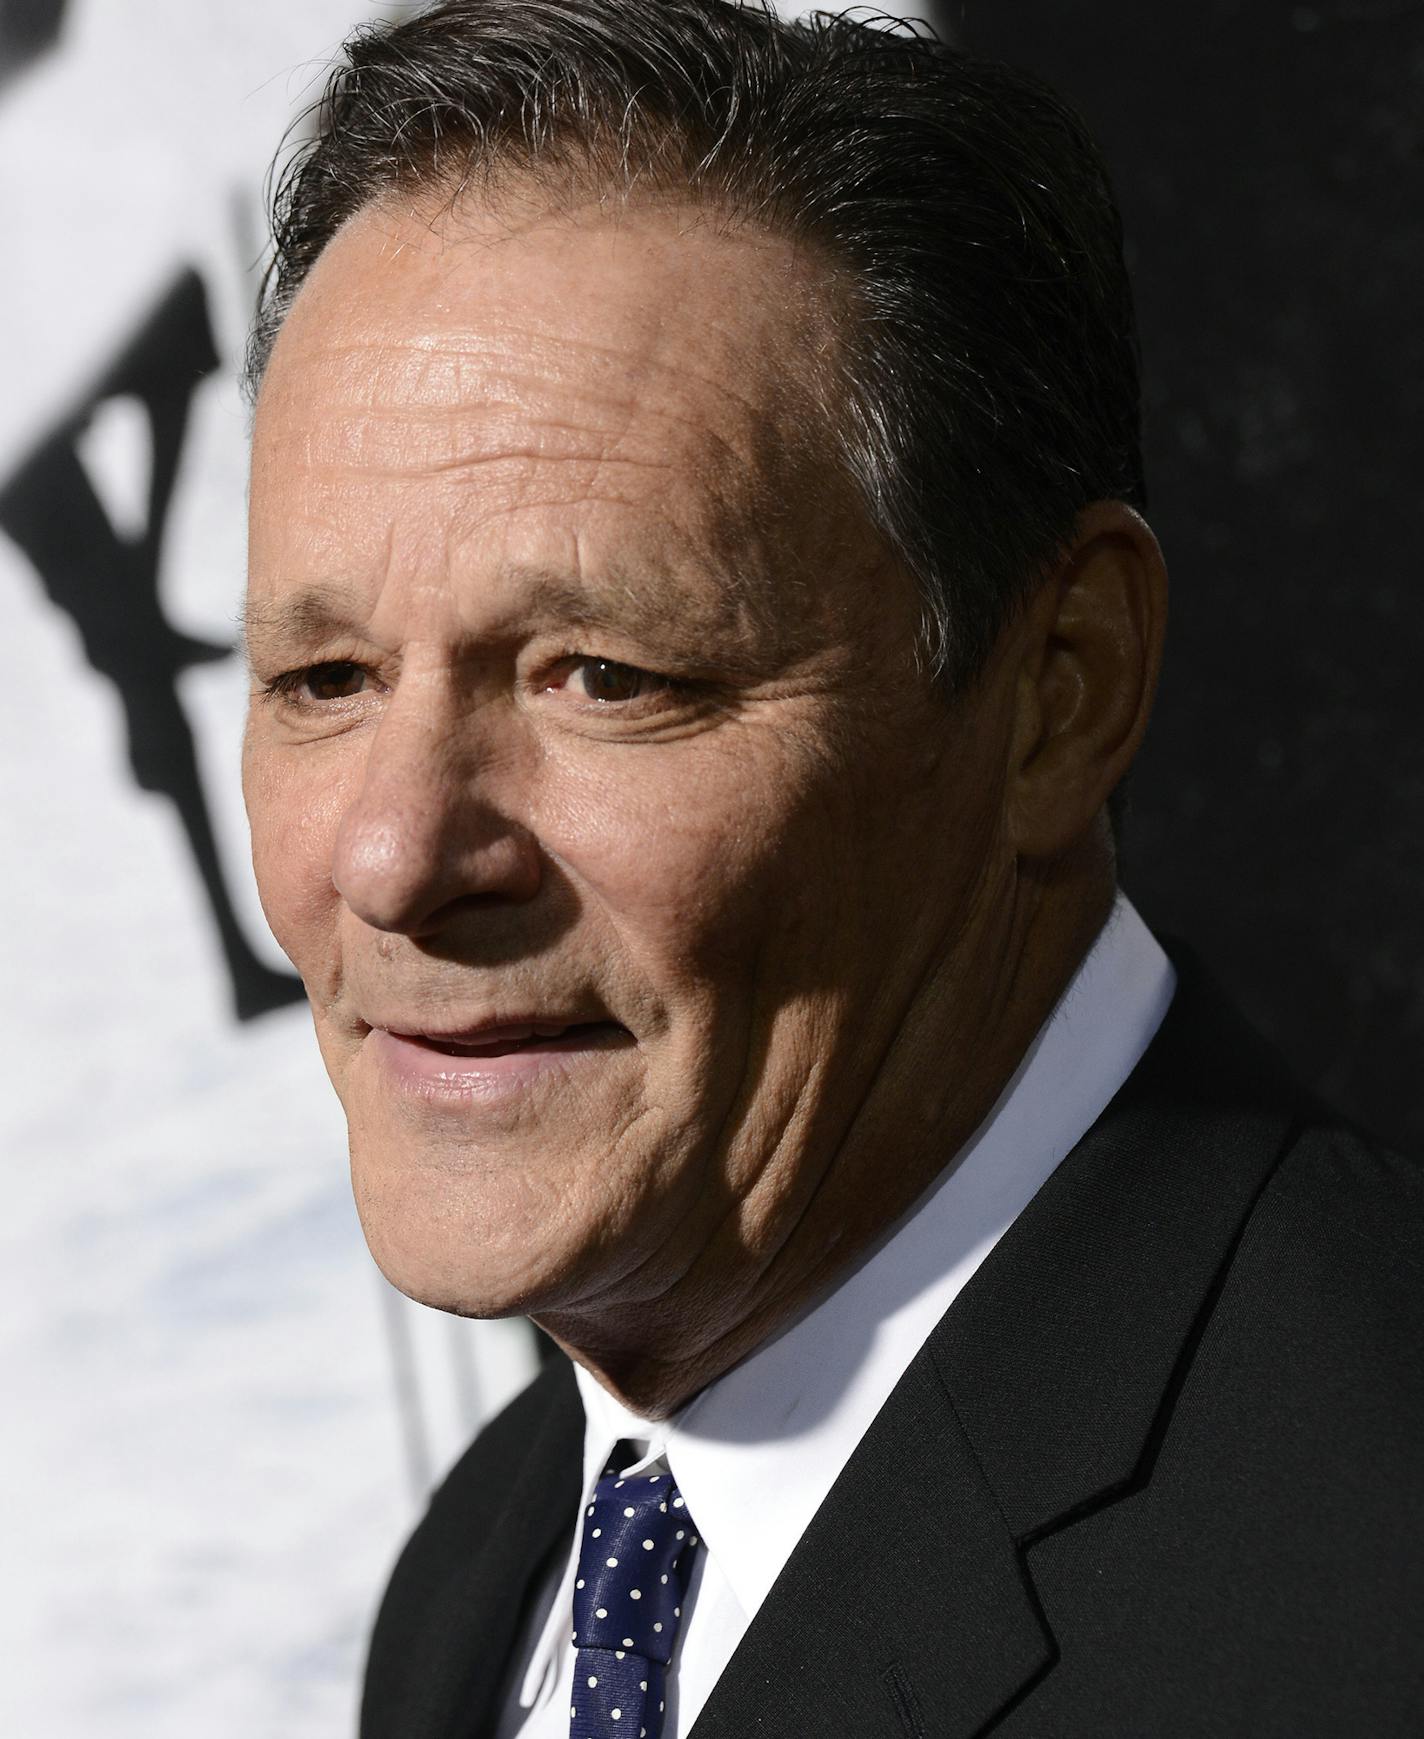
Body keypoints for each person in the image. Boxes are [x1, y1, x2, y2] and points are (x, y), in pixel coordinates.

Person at [239, 2, 1423, 1734]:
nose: (400, 855)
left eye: (607, 677)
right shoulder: (496, 1567)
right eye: (322, 681)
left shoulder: (1370, 1579)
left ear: (1058, 693)